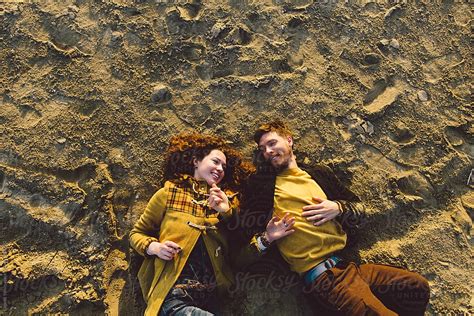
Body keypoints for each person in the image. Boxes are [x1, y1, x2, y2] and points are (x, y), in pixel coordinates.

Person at [239, 120, 430, 316]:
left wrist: (338, 207)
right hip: (324, 280)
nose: (268, 151)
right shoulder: (263, 187)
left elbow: (361, 210)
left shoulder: (318, 174)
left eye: (272, 143)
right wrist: (267, 237)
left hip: (349, 268)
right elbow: (241, 246)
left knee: (416, 287)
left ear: (289, 140)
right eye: (263, 149)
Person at [129, 132, 292, 316]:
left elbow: (237, 258)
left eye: (223, 166)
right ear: (196, 161)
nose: (220, 168)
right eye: (215, 161)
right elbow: (136, 234)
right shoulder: (169, 193)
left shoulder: (228, 204)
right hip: (172, 295)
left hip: (211, 300)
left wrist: (266, 237)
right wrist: (155, 247)